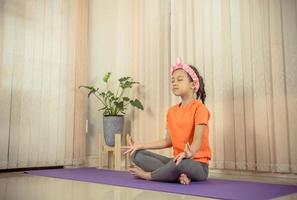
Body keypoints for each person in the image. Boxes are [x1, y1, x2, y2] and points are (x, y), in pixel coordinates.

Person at [123, 58, 211, 185]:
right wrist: (141, 145)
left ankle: (150, 176)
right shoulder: (171, 111)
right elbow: (167, 141)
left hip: (197, 164)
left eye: (179, 80)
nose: (174, 83)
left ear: (193, 84)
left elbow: (197, 141)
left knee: (182, 163)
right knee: (136, 155)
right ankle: (177, 175)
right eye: (173, 81)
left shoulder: (200, 109)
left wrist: (190, 153)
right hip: (176, 161)